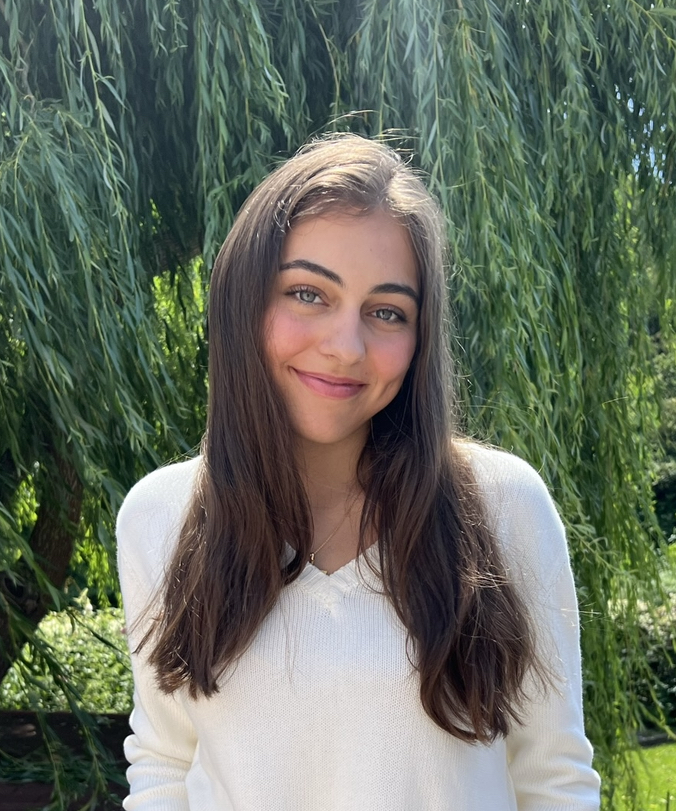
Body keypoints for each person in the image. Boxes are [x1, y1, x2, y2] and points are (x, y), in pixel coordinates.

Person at [116, 133, 601, 810]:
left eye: (386, 311)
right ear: (243, 300)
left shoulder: (503, 505)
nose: (346, 346)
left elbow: (554, 779)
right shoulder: (158, 517)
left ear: (420, 336)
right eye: (309, 293)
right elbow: (165, 764)